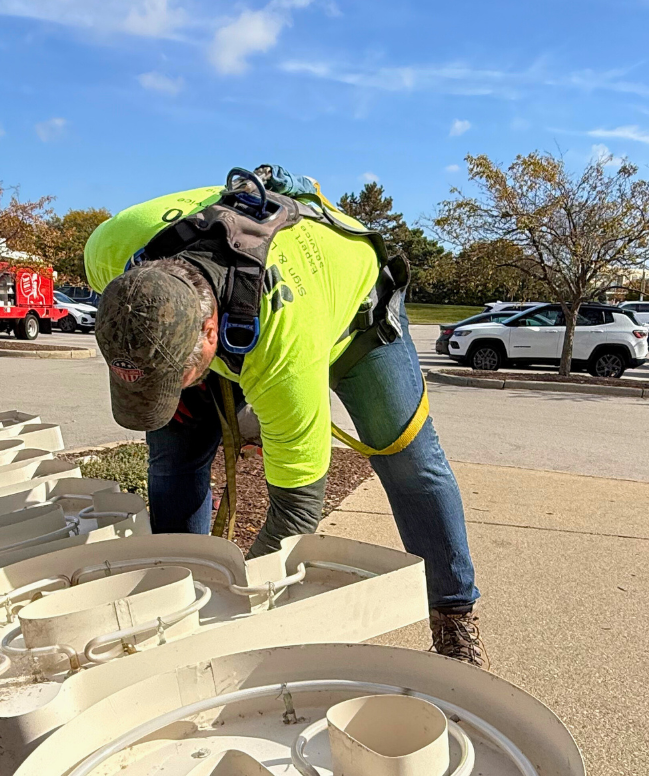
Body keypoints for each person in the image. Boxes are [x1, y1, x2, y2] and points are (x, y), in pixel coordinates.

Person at [84, 168, 487, 666]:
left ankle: (453, 616)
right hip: (228, 314)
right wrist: (169, 383)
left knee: (409, 462)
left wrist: (234, 611)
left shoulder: (283, 354)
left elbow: (296, 515)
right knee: (174, 450)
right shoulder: (108, 249)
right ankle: (175, 602)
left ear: (209, 335)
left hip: (358, 315)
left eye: (179, 373)